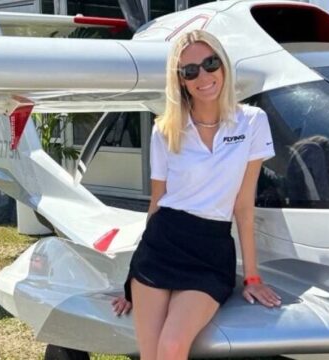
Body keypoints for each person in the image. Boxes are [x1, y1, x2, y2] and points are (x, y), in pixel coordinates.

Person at [110, 29, 281, 359]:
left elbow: (243, 207)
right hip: (162, 244)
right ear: (181, 81)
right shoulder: (166, 130)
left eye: (210, 63)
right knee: (151, 353)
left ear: (223, 65)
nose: (203, 75)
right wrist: (130, 281)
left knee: (172, 346)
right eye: (190, 71)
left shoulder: (252, 122)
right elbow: (157, 203)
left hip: (210, 250)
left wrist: (253, 277)